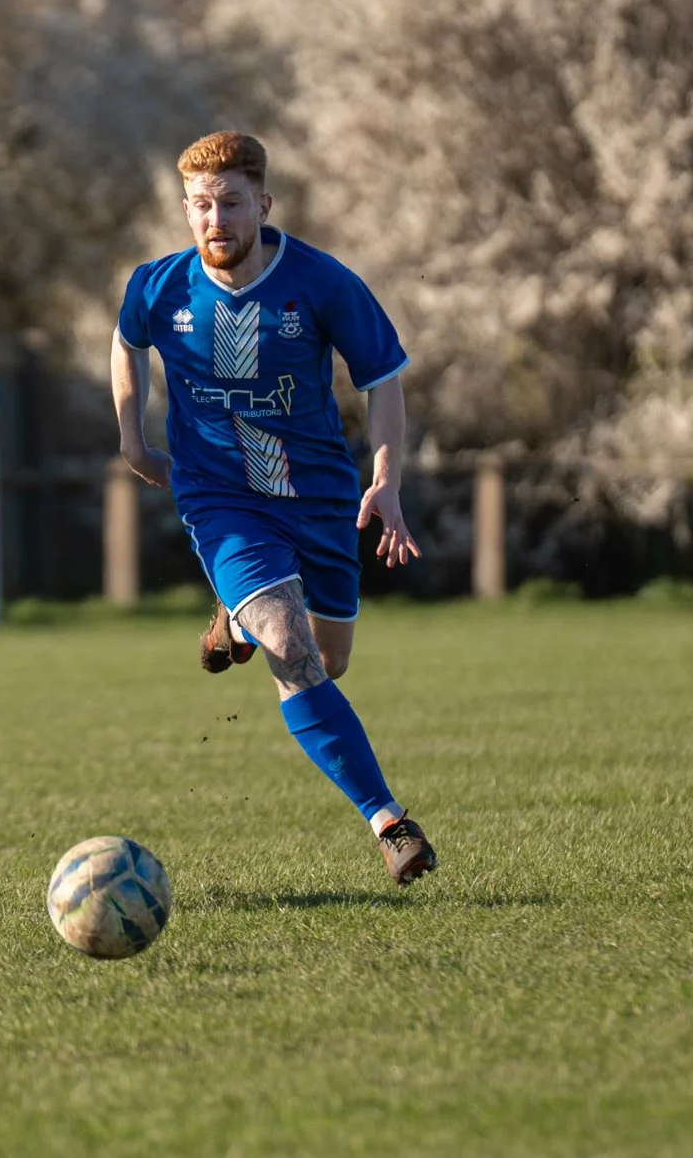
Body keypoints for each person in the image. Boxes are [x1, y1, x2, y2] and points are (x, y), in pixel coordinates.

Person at [111, 131, 437, 885]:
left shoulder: (323, 283)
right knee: (289, 646)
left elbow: (383, 379)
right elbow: (126, 341)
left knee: (329, 660)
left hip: (319, 496)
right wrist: (132, 439)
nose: (215, 219)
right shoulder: (158, 287)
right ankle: (390, 821)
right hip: (220, 496)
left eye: (230, 203)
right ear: (185, 210)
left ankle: (235, 619)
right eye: (200, 205)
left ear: (263, 204)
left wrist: (386, 479)